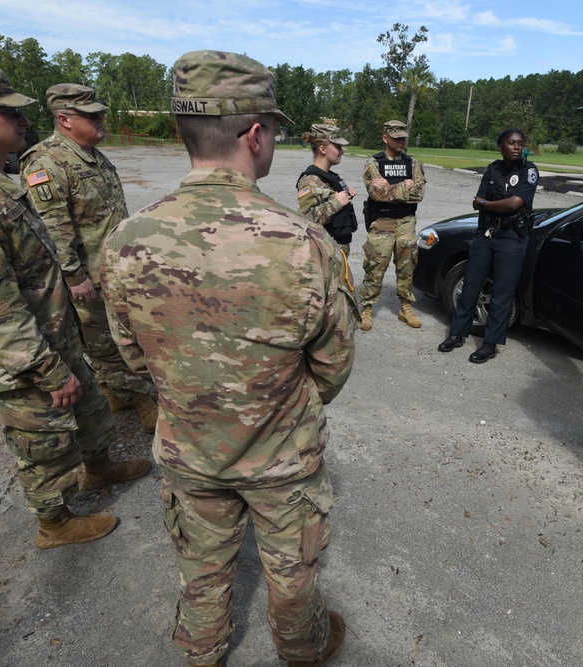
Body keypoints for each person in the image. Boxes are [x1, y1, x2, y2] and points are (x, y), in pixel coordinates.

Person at [102, 50, 357, 667]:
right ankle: (302, 646)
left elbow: (132, 354)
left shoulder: (128, 239)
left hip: (189, 446)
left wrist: (191, 392)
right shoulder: (303, 241)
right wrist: (279, 407)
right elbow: (333, 361)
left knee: (201, 566)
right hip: (281, 455)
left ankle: (202, 650)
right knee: (291, 568)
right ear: (254, 133)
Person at [0, 61, 150, 550]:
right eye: (9, 112)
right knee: (40, 437)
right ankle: (55, 523)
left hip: (53, 336)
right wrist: (47, 370)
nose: (25, 121)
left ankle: (99, 468)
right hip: (22, 358)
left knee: (89, 405)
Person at [21, 84, 157, 433]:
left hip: (109, 269)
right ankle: (139, 397)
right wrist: (73, 276)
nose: (101, 120)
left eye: (100, 113)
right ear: (64, 119)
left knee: (118, 336)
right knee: (103, 344)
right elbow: (54, 227)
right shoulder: (46, 162)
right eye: (91, 115)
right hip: (86, 278)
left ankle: (116, 392)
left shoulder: (93, 156)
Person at [437, 128, 538, 363]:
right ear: (500, 145)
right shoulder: (492, 169)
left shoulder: (528, 170)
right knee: (471, 284)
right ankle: (457, 333)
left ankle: (490, 343)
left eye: (520, 143)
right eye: (511, 143)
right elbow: (477, 200)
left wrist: (485, 203)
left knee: (502, 292)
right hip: (486, 233)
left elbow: (515, 203)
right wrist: (485, 203)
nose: (516, 147)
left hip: (512, 237)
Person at [358, 119, 426, 331]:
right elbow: (377, 194)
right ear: (385, 138)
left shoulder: (413, 163)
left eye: (403, 138)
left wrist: (390, 188)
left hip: (406, 223)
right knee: (375, 267)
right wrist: (406, 186)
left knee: (407, 267)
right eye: (396, 138)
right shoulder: (373, 164)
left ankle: (405, 307)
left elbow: (419, 193)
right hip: (381, 223)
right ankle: (367, 308)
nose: (401, 141)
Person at [297, 123, 358, 256]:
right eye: (337, 147)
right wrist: (336, 203)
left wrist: (346, 197)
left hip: (336, 252)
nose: (341, 151)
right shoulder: (310, 181)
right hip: (323, 254)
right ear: (323, 149)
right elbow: (306, 219)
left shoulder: (330, 177)